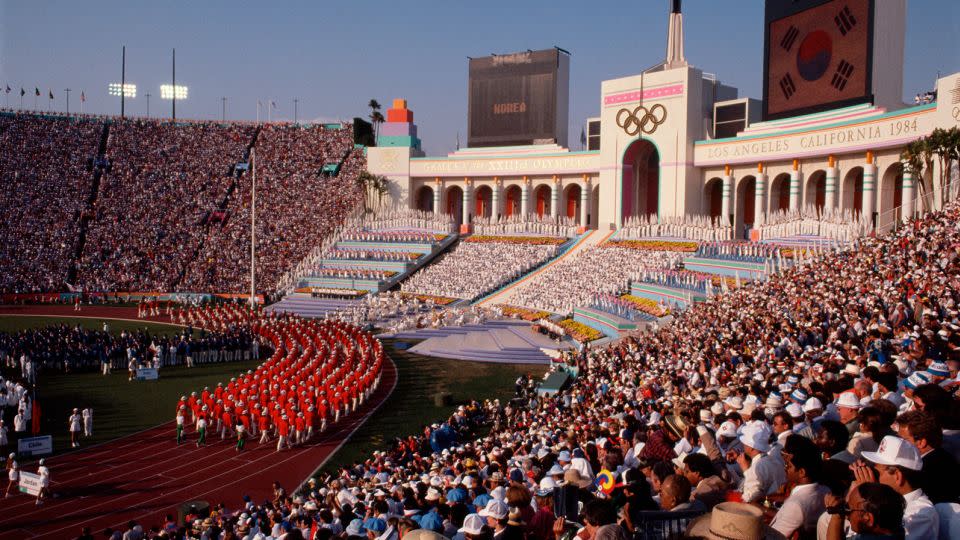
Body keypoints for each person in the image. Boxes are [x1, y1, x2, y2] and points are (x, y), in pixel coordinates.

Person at [857, 435, 939, 539]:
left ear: (897, 476)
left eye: (877, 473)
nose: (874, 477)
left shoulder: (921, 514)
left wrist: (872, 497)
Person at [825, 482, 905, 540]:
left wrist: (836, 516)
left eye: (849, 509)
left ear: (868, 519)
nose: (847, 516)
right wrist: (838, 513)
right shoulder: (896, 532)